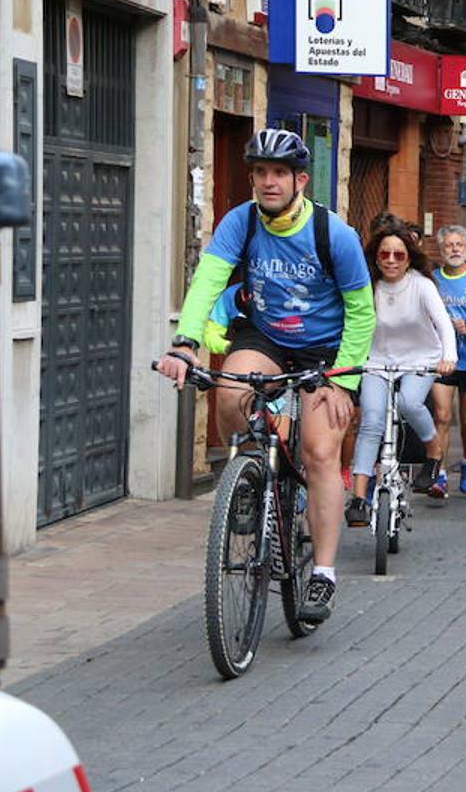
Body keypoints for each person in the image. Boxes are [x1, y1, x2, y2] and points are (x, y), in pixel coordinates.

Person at [154, 128, 374, 625]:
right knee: (230, 391)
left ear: (300, 179)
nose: (268, 182)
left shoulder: (332, 233)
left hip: (325, 348)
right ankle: (253, 474)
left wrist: (343, 381)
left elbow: (362, 311)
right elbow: (208, 278)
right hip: (266, 335)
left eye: (279, 173)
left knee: (320, 452)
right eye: (260, 173)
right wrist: (186, 343)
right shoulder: (241, 222)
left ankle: (322, 573)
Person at [345, 223, 457, 524]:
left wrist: (449, 357)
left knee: (409, 403)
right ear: (376, 257)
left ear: (409, 258)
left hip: (421, 359)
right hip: (377, 361)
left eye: (399, 254)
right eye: (385, 254)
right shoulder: (368, 285)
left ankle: (433, 450)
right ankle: (358, 498)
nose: (391, 260)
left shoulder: (421, 285)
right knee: (370, 420)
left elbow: (444, 325)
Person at [431, 224, 466, 496]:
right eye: (449, 245)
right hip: (442, 358)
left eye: (459, 245)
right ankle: (439, 474)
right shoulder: (432, 280)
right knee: (441, 416)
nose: (454, 249)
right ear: (441, 249)